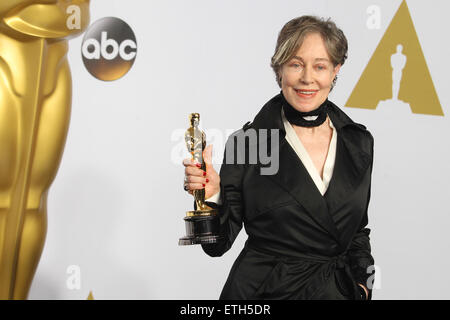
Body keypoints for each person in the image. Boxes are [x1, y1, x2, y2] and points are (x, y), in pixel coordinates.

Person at [183, 15, 375, 300]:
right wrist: (213, 196)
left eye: (319, 66)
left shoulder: (358, 141)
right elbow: (217, 246)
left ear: (336, 70)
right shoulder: (248, 143)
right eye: (295, 64)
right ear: (280, 69)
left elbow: (358, 231)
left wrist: (362, 288)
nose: (307, 78)